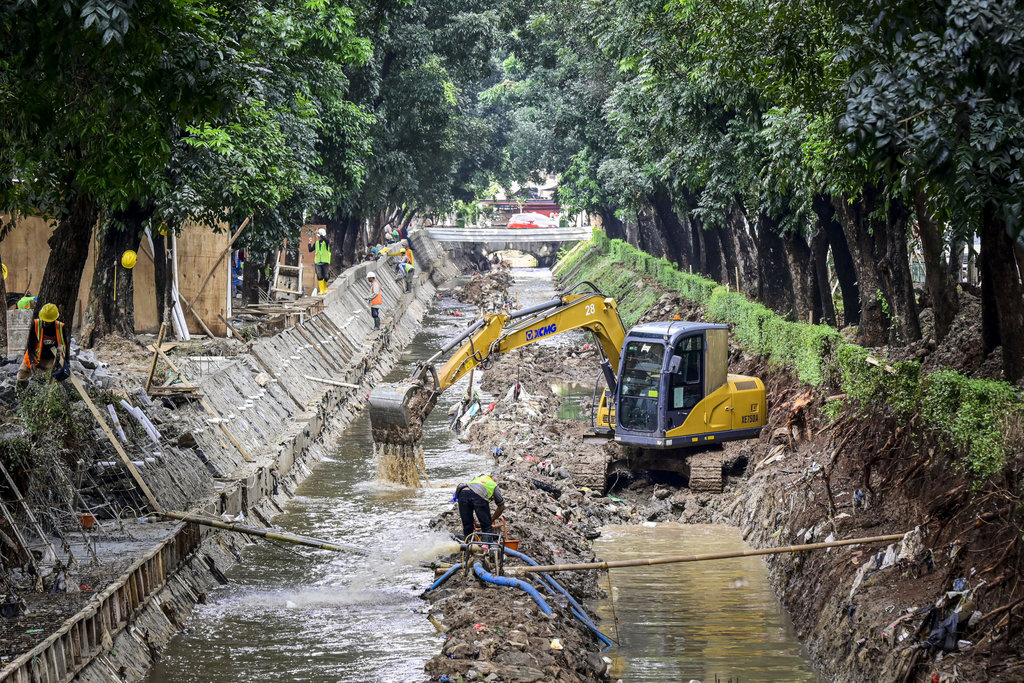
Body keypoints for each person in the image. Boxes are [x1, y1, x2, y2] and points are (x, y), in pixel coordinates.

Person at [17, 303, 67, 389]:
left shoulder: (60, 327)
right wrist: (32, 361)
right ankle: (20, 397)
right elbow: (30, 344)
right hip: (35, 355)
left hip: (50, 359)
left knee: (49, 381)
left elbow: (65, 345)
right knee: (21, 375)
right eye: (43, 319)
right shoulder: (36, 324)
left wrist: (65, 363)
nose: (44, 322)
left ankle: (44, 398)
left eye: (47, 320)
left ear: (53, 319)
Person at [455, 474, 505, 543]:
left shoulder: (475, 480)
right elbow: (501, 506)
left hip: (462, 492)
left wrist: (473, 521)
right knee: (486, 526)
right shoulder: (493, 484)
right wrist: (491, 520)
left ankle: (468, 547)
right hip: (479, 495)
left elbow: (469, 494)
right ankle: (486, 548)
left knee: (467, 526)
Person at [308, 227, 331, 296]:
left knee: (326, 276)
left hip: (325, 262)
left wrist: (320, 234)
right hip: (318, 262)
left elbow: (327, 240)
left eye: (320, 236)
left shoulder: (326, 242)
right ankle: (321, 290)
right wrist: (309, 243)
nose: (318, 237)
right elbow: (310, 250)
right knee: (319, 275)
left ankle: (325, 288)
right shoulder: (317, 243)